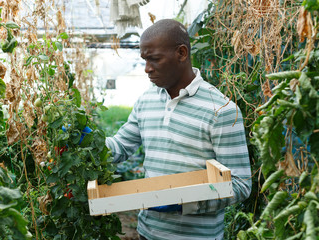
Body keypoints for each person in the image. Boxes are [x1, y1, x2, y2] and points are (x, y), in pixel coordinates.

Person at [106, 19, 252, 240]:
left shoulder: (220, 110)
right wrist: (88, 140)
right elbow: (119, 148)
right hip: (147, 233)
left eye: (154, 59)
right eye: (145, 60)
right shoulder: (147, 101)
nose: (147, 69)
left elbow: (240, 184)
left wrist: (184, 202)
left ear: (181, 53)